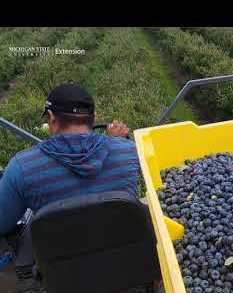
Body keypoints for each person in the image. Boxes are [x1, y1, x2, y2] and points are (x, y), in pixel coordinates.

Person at [0, 83, 137, 235]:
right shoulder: (128, 150)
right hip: (122, 251)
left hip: (58, 256)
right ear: (94, 117)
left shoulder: (21, 168)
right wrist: (118, 141)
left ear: (51, 119)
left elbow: (2, 224)